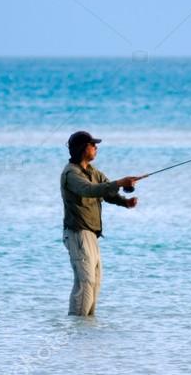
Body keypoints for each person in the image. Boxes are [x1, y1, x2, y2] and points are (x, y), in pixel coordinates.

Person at [60, 131, 142, 316]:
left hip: (91, 235)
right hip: (78, 234)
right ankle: (75, 331)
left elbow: (106, 190)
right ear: (82, 148)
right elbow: (89, 190)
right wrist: (120, 182)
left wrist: (124, 200)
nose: (96, 147)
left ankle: (86, 332)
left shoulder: (92, 172)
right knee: (85, 283)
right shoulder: (71, 173)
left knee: (95, 283)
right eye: (92, 145)